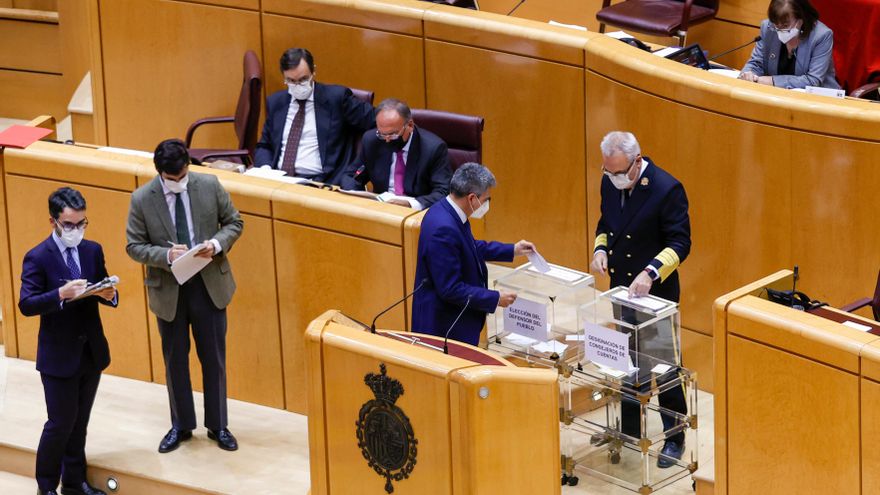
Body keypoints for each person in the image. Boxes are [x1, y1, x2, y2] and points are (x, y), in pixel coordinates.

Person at [126, 139, 244, 454]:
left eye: (182, 177)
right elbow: (133, 246)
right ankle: (181, 425)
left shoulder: (209, 184)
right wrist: (166, 254)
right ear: (159, 173)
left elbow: (234, 222)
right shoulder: (141, 199)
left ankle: (218, 425)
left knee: (214, 359)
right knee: (175, 360)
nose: (178, 183)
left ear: (188, 167)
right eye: (171, 179)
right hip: (169, 289)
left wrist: (216, 245)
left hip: (208, 285)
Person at [590, 131, 691, 468]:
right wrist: (600, 248)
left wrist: (650, 272)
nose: (614, 179)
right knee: (626, 363)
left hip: (655, 293)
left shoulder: (666, 189)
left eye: (620, 173)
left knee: (663, 368)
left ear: (637, 161)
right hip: (621, 288)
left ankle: (675, 437)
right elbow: (606, 223)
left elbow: (680, 244)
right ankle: (630, 429)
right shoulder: (610, 181)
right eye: (609, 172)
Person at [19, 187, 117, 495]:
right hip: (58, 356)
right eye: (69, 225)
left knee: (79, 424)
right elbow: (27, 304)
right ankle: (46, 487)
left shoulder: (92, 250)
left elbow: (103, 284)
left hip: (91, 352)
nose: (76, 230)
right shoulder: (37, 257)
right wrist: (60, 294)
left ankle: (75, 484)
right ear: (53, 222)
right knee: (60, 425)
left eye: (81, 223)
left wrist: (109, 294)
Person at [411, 162, 536, 346]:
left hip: (453, 322)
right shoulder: (443, 228)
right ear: (472, 199)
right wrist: (495, 298)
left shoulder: (446, 210)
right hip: (444, 329)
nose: (486, 204)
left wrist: (512, 249)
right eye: (486, 199)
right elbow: (450, 289)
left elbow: (469, 247)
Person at [253, 47, 376, 184]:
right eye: (291, 81)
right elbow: (264, 145)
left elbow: (376, 119)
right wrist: (266, 169)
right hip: (279, 180)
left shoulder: (337, 99)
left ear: (313, 71)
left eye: (303, 79)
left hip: (321, 182)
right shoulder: (276, 102)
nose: (298, 85)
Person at [341, 98, 451, 209]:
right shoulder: (372, 141)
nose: (387, 140)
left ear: (410, 126)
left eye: (393, 134)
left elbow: (443, 192)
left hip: (415, 214)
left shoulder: (433, 148)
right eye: (382, 134)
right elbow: (351, 175)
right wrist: (359, 198)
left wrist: (411, 204)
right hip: (380, 208)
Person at [739, 0, 839, 90]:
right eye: (776, 25)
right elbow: (756, 63)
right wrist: (749, 74)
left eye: (785, 25)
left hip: (819, 101)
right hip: (777, 97)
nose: (779, 30)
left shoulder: (821, 36)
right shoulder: (768, 27)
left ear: (800, 20)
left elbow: (813, 80)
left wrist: (773, 81)